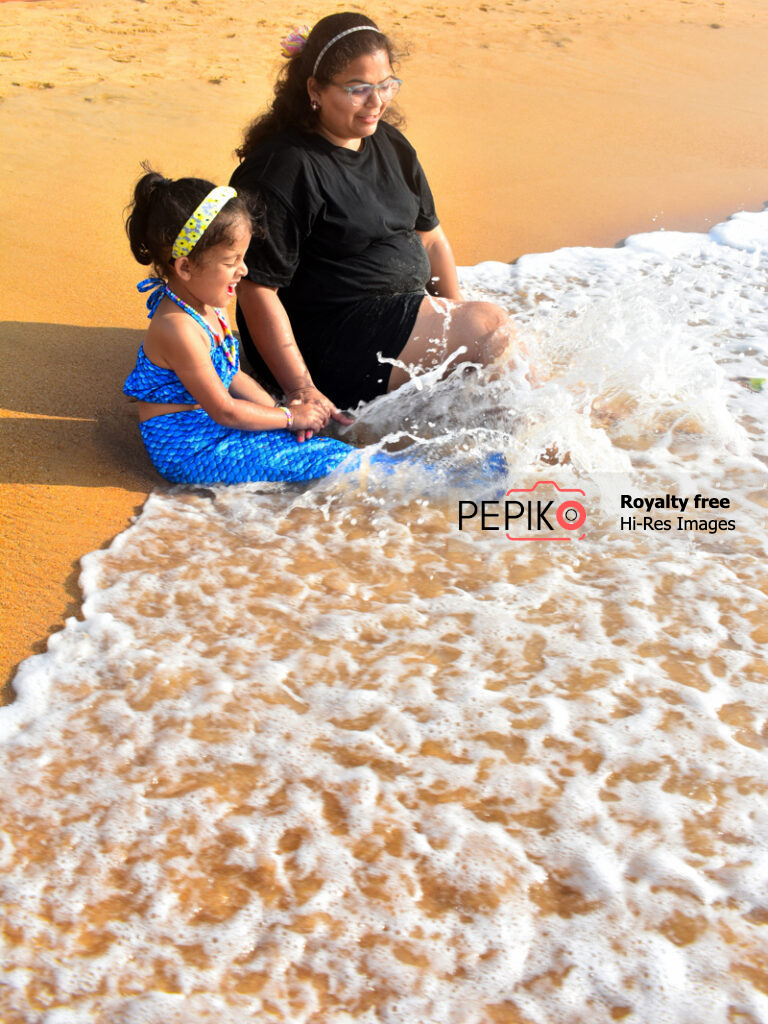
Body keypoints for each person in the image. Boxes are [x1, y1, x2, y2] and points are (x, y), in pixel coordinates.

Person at [230, 11, 522, 425]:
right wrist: (301, 388)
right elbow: (256, 290)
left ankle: (531, 446)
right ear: (314, 89)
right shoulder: (283, 169)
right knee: (490, 326)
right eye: (358, 89)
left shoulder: (391, 144)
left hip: (399, 316)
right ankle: (549, 455)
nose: (377, 101)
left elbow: (432, 240)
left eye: (386, 85)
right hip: (328, 343)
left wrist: (454, 317)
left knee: (505, 343)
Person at [123, 169, 356, 485]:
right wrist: (289, 418)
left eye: (243, 258)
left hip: (209, 425)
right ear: (186, 267)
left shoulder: (210, 304)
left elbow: (229, 373)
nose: (243, 270)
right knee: (334, 461)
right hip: (190, 449)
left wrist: (278, 412)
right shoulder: (178, 328)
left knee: (319, 451)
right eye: (231, 262)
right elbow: (226, 412)